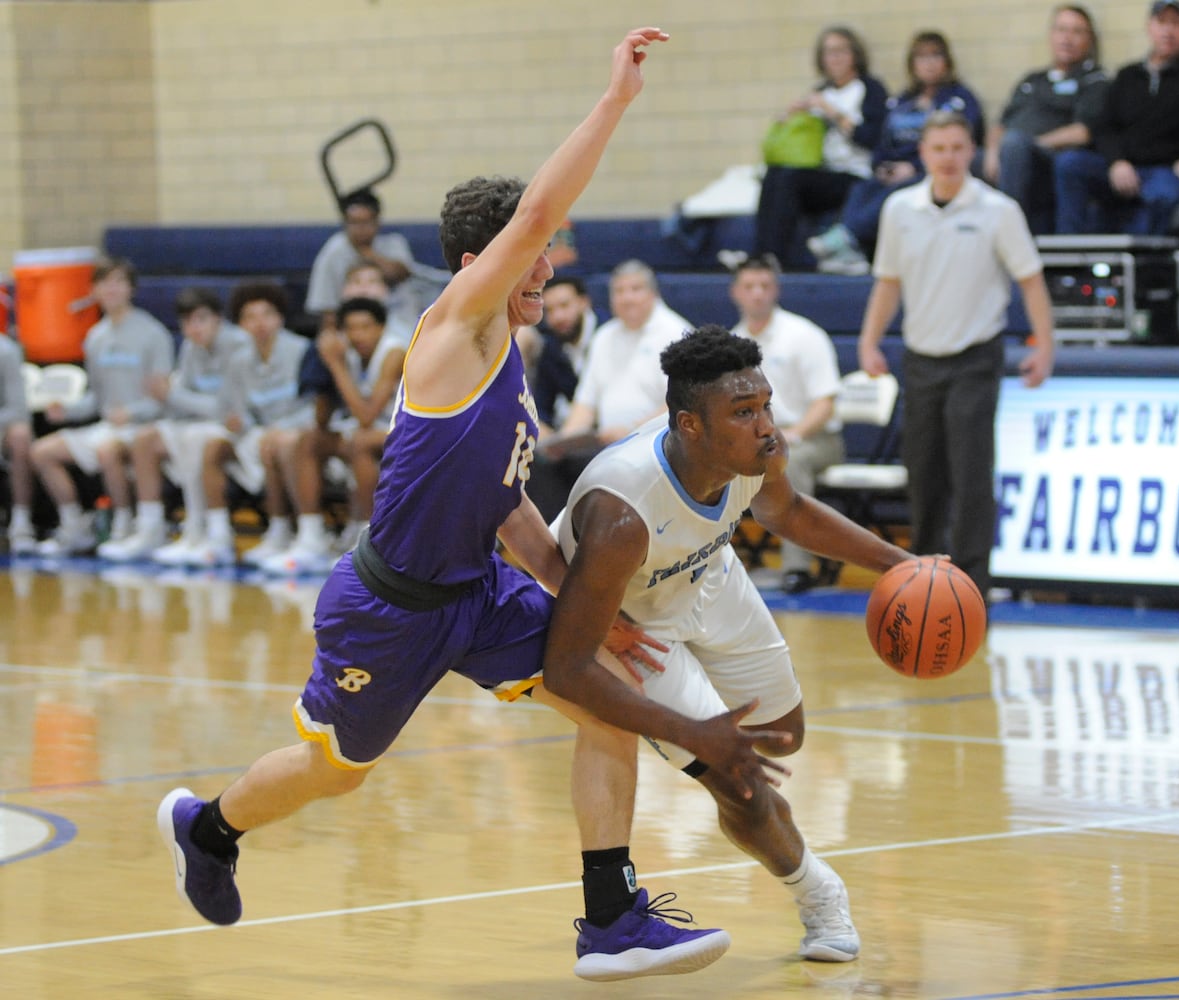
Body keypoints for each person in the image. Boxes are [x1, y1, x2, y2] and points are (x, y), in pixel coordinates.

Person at [157, 29, 782, 983]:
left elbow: (509, 506)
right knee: (337, 770)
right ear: (472, 261)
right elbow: (537, 210)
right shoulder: (453, 327)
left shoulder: (510, 355)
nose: (545, 271)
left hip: (477, 591)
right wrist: (614, 100)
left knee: (605, 710)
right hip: (388, 607)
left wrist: (588, 611)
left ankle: (610, 920)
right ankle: (207, 826)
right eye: (528, 260)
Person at [543, 326, 913, 965]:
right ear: (689, 425)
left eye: (765, 404)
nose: (766, 425)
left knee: (780, 741)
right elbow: (566, 669)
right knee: (739, 780)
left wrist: (900, 563)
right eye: (744, 413)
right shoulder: (622, 511)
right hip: (632, 630)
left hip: (709, 579)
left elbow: (789, 513)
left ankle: (765, 818)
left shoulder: (758, 454)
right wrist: (698, 735)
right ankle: (817, 891)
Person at [856, 110, 1056, 596]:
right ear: (923, 153)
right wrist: (868, 340)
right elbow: (888, 283)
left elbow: (1031, 281)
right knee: (923, 477)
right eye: (938, 148)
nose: (947, 157)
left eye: (956, 148)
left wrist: (1045, 346)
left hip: (975, 357)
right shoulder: (900, 209)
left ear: (972, 152)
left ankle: (972, 587)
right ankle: (921, 581)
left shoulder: (998, 210)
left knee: (970, 477)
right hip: (920, 357)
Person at [1053, 0, 1179, 236]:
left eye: (1176, 23)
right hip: (1124, 170)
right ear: (1150, 27)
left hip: (1168, 172)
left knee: (1162, 193)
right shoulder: (1128, 76)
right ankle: (1070, 258)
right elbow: (1104, 126)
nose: (1168, 31)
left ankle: (1141, 267)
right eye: (1162, 22)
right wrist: (1116, 161)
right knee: (1070, 164)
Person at [30, 257, 175, 556]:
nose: (111, 289)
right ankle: (75, 525)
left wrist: (131, 413)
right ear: (93, 289)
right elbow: (96, 398)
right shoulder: (95, 337)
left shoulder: (153, 333)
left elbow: (163, 398)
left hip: (144, 426)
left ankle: (124, 524)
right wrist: (66, 412)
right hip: (107, 426)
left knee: (107, 449)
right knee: (42, 452)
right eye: (104, 282)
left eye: (118, 282)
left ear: (131, 289)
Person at [95, 287, 251, 563]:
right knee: (145, 438)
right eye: (187, 322)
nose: (194, 328)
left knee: (199, 442)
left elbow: (224, 409)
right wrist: (170, 399)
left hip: (241, 427)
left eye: (201, 319)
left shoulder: (238, 346)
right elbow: (182, 403)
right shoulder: (191, 347)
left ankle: (216, 535)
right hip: (198, 424)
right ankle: (150, 528)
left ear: (218, 319)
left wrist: (171, 395)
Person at [525, 260, 689, 521]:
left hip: (658, 444)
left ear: (653, 294)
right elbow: (585, 404)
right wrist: (564, 441)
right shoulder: (605, 336)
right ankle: (561, 545)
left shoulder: (676, 333)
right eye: (619, 291)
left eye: (635, 289)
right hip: (607, 445)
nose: (626, 298)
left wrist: (632, 432)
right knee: (542, 463)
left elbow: (681, 401)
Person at [811, 30, 985, 275]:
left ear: (947, 62)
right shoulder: (901, 102)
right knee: (863, 187)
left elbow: (958, 146)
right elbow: (883, 141)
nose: (929, 64)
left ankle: (847, 235)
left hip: (932, 172)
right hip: (897, 167)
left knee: (900, 192)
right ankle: (851, 250)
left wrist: (915, 167)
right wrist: (882, 165)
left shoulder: (960, 99)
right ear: (912, 64)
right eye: (922, 58)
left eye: (935, 56)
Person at [171, 282, 315, 568]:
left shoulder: (302, 351)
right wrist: (240, 421)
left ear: (280, 317)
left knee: (275, 445)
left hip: (300, 431)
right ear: (241, 324)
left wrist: (281, 427)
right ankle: (219, 536)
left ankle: (305, 536)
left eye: (267, 314)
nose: (260, 323)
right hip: (259, 433)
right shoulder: (239, 361)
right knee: (213, 447)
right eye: (251, 317)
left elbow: (316, 406)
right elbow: (234, 409)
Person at [261, 296, 406, 575]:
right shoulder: (343, 351)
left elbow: (367, 415)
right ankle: (311, 534)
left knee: (359, 442)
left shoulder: (393, 352)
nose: (358, 335)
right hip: (362, 429)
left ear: (382, 328)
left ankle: (366, 535)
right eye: (351, 328)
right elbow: (322, 419)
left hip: (403, 431)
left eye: (366, 327)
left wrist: (337, 365)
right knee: (307, 440)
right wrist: (322, 366)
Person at [729, 256, 844, 593]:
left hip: (814, 439)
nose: (757, 294)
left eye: (764, 286)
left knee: (789, 461)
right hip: (753, 442)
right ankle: (711, 566)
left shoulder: (805, 335)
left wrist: (794, 434)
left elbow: (825, 402)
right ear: (735, 292)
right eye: (749, 286)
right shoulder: (732, 343)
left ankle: (797, 568)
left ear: (776, 290)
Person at [749, 26, 889, 268]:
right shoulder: (819, 91)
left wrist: (831, 112)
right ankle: (761, 257)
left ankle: (775, 257)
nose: (834, 58)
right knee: (773, 175)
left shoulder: (870, 89)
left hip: (854, 175)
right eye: (828, 52)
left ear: (855, 54)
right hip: (821, 172)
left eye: (841, 51)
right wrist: (791, 117)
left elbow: (872, 138)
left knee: (790, 179)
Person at [982, 5, 1108, 236]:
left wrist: (1028, 144)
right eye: (1061, 29)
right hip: (1010, 152)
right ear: (1051, 35)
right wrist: (992, 151)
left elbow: (1082, 131)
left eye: (1076, 31)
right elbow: (1001, 123)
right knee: (962, 160)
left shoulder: (1094, 79)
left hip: (1048, 160)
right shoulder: (1032, 80)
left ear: (1089, 40)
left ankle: (1008, 237)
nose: (1067, 38)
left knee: (1015, 147)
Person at [304, 188, 451, 332]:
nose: (360, 229)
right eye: (354, 222)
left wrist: (367, 253)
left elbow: (400, 273)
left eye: (366, 222)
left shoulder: (393, 244)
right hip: (354, 330)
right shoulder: (333, 253)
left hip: (401, 325)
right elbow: (327, 311)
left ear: (377, 221)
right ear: (345, 223)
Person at [518, 275, 598, 434]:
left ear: (584, 303)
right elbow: (542, 404)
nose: (558, 317)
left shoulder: (607, 335)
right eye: (550, 310)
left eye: (564, 305)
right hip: (573, 437)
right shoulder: (552, 347)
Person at [0, 331, 35, 554]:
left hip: (2, 424)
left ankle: (22, 523)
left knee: (21, 435)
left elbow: (19, 410)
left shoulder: (6, 350)